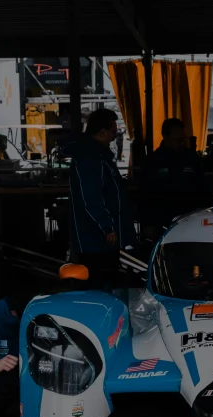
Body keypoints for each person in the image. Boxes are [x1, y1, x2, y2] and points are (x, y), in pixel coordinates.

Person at [61, 109, 136, 287]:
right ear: (102, 131)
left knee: (107, 278)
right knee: (100, 282)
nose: (114, 135)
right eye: (113, 131)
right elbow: (90, 197)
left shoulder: (99, 155)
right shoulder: (90, 157)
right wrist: (107, 226)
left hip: (100, 237)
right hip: (95, 239)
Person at [142, 118, 206, 232]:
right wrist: (148, 223)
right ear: (165, 137)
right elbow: (146, 193)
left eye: (183, 140)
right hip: (163, 218)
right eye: (178, 140)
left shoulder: (191, 158)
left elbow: (203, 186)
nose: (182, 143)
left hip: (190, 217)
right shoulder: (153, 160)